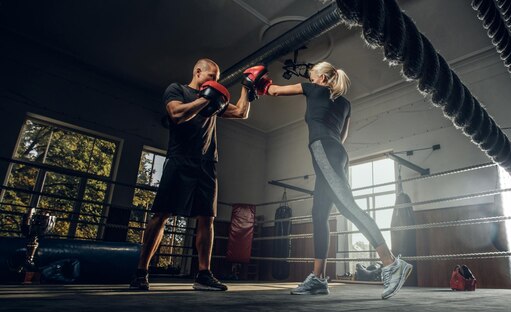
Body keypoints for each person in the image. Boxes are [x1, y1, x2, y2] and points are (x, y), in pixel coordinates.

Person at [250, 62, 413, 299]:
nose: (310, 77)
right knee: (319, 215)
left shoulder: (313, 89)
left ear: (323, 77)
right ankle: (318, 279)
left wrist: (257, 82)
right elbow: (341, 137)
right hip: (336, 151)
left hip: (323, 149)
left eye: (312, 74)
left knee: (348, 207)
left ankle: (391, 263)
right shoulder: (345, 104)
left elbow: (274, 91)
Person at [130, 58, 258, 291]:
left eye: (217, 81)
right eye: (212, 78)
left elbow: (241, 113)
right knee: (162, 215)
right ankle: (141, 271)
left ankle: (203, 274)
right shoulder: (177, 89)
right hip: (180, 159)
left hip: (207, 162)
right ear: (198, 72)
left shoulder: (213, 97)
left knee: (206, 217)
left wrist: (247, 87)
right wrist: (205, 99)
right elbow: (177, 114)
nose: (215, 83)